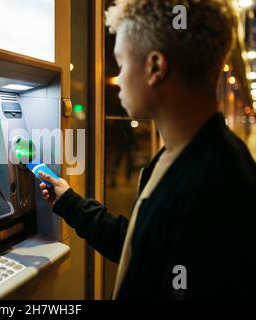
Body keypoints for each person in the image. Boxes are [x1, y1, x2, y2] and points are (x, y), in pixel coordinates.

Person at [39, 0, 256, 299]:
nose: (119, 80)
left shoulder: (215, 185)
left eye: (123, 62)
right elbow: (143, 246)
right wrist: (71, 204)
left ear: (155, 67)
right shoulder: (185, 156)